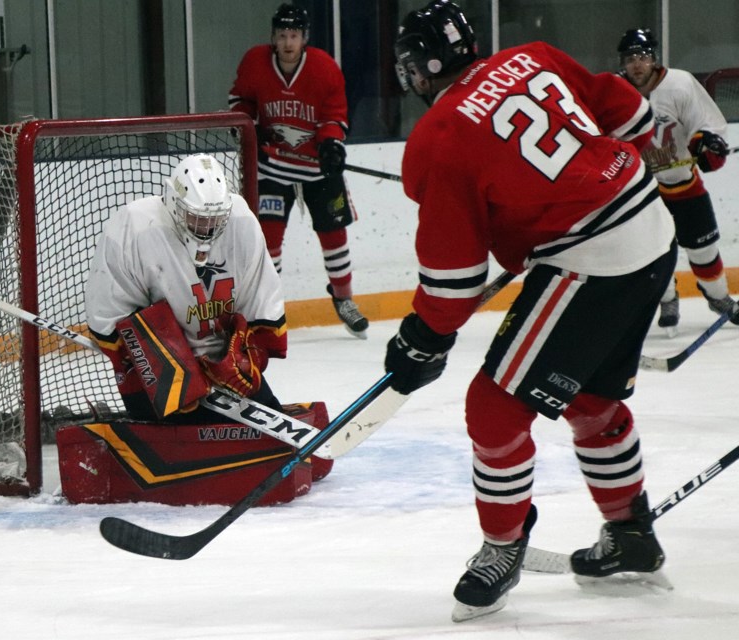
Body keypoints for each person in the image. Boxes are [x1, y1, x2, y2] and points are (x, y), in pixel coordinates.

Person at [387, 0, 675, 623]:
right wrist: (572, 187)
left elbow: (454, 278)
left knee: (492, 408)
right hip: (651, 230)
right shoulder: (532, 57)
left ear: (420, 67)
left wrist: (422, 338)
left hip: (591, 259)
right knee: (590, 399)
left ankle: (502, 547)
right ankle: (631, 534)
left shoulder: (438, 137)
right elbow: (632, 115)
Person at [84, 154, 287, 422]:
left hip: (222, 367)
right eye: (196, 217)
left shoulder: (241, 221)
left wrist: (247, 358)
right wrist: (164, 370)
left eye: (214, 219)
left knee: (268, 433)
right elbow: (108, 314)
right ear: (173, 202)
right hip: (156, 375)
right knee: (179, 440)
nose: (206, 228)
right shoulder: (136, 227)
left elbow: (262, 300)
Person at [228, 3, 369, 339]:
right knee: (270, 240)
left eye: (294, 35)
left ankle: (344, 299)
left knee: (335, 237)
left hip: (318, 169)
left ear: (304, 38)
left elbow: (334, 116)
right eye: (282, 35)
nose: (288, 42)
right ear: (273, 38)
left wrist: (331, 144)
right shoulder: (254, 63)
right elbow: (239, 100)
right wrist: (249, 126)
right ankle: (270, 306)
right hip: (273, 168)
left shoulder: (324, 69)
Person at [617, 28, 738, 335]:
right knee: (655, 252)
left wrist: (707, 144)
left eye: (643, 57)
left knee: (705, 252)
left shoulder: (680, 84)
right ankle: (667, 301)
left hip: (685, 187)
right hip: (643, 194)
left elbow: (708, 125)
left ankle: (719, 298)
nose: (637, 64)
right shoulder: (614, 92)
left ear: (654, 59)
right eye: (630, 58)